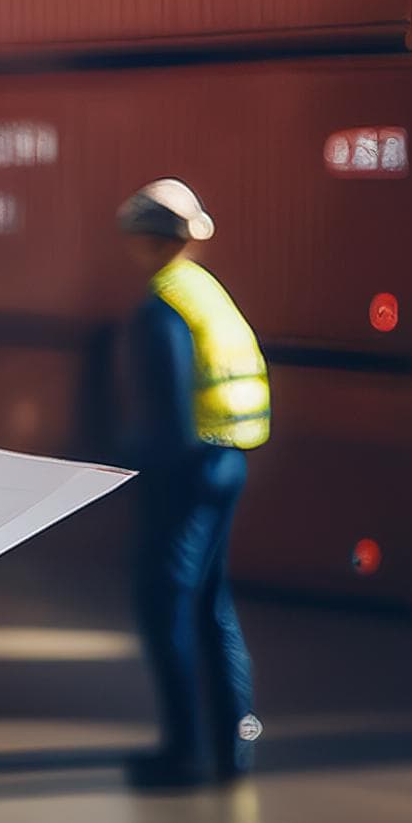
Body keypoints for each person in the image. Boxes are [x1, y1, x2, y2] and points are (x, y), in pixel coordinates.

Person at [115, 178, 267, 791]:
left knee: (164, 601)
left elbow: (168, 415)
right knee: (210, 603)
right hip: (228, 459)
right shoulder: (204, 290)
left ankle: (185, 751)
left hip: (188, 471)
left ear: (145, 240)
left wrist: (132, 472)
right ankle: (233, 742)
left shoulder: (161, 306)